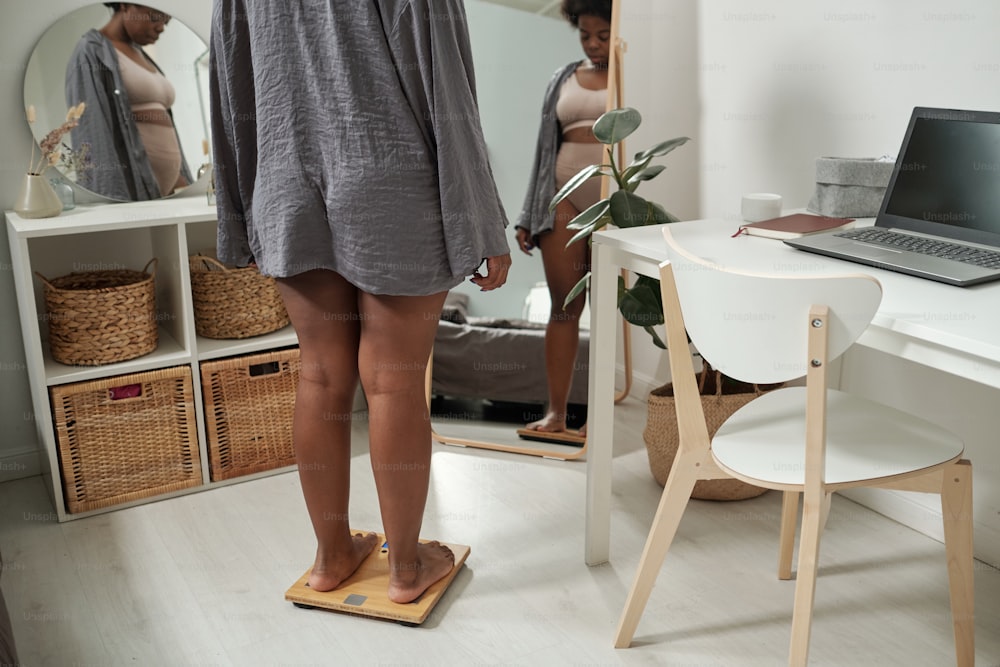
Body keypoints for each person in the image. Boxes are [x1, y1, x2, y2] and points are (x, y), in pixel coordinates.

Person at [210, 0, 511, 604]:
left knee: (319, 377)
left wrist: (238, 216)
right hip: (392, 181)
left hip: (286, 182)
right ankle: (405, 569)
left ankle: (330, 558)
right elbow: (444, 90)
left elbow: (231, 89)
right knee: (394, 383)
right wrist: (482, 222)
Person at [515, 0, 612, 436]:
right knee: (565, 306)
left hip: (617, 201)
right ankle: (556, 415)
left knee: (612, 309)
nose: (592, 44)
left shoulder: (637, 76)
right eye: (585, 35)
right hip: (563, 198)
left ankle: (602, 420)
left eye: (603, 36)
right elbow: (543, 150)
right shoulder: (563, 78)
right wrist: (527, 214)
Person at [66, 3, 192, 201]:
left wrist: (180, 176)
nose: (161, 28)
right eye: (154, 18)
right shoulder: (91, 50)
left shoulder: (142, 55)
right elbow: (91, 131)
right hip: (132, 188)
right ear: (126, 5)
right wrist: (110, 198)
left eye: (166, 22)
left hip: (171, 188)